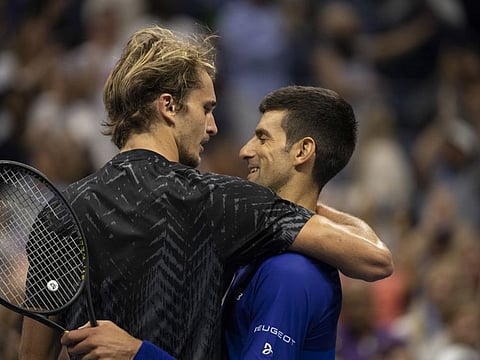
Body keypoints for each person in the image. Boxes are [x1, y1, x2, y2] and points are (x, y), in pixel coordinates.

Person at [19, 26, 392, 360]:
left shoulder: (61, 210)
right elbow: (374, 259)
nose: (213, 127)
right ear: (168, 106)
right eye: (206, 108)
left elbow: (33, 355)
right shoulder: (218, 200)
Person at [222, 85, 354, 359]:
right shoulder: (266, 251)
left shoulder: (290, 273)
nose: (245, 151)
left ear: (302, 150)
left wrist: (138, 353)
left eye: (262, 138)